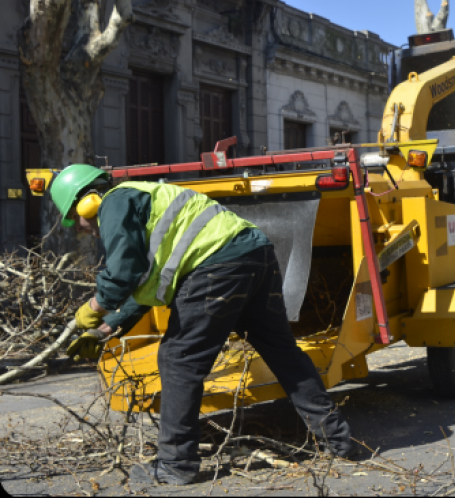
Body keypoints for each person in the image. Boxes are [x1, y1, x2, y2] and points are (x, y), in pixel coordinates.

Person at [49, 164, 355, 486]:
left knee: (179, 360)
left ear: (87, 201)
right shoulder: (143, 202)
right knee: (282, 352)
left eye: (75, 219)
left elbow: (123, 271)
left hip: (217, 266)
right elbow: (144, 281)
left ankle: (175, 465)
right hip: (255, 256)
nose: (80, 228)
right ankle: (339, 440)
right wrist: (106, 327)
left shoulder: (114, 201)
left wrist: (95, 306)